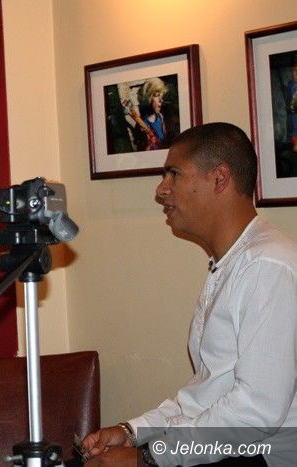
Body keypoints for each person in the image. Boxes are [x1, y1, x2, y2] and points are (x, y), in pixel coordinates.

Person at [81, 122, 297, 467]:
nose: (161, 190)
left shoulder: (266, 265)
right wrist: (133, 431)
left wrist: (148, 458)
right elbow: (206, 396)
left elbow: (257, 411)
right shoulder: (230, 263)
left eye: (174, 174)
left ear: (219, 178)